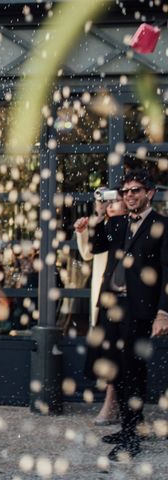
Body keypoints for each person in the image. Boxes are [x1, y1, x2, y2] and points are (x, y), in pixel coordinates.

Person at [89, 169, 168, 461]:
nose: (130, 195)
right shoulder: (118, 222)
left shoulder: (163, 225)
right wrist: (98, 214)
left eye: (136, 190)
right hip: (112, 306)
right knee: (116, 369)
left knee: (133, 372)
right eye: (126, 191)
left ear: (150, 193)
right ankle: (130, 427)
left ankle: (131, 436)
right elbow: (97, 245)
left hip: (140, 309)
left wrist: (163, 312)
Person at [74, 193, 126, 426]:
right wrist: (86, 227)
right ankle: (112, 404)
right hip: (104, 299)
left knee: (122, 353)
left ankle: (116, 405)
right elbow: (87, 253)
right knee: (107, 353)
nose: (110, 205)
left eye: (115, 201)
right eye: (108, 201)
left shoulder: (136, 226)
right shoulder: (103, 226)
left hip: (129, 300)